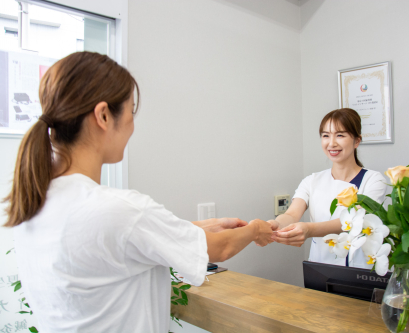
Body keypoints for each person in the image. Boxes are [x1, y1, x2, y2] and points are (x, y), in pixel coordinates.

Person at [2, 52, 273, 333]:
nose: (133, 124)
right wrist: (255, 229)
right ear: (104, 116)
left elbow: (112, 245)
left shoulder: (35, 202)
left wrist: (195, 227)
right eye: (131, 111)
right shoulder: (120, 210)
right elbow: (221, 248)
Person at [268, 108, 387, 268]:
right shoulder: (311, 181)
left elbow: (353, 221)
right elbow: (291, 214)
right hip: (320, 266)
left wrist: (309, 229)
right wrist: (275, 225)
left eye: (340, 135)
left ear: (357, 141)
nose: (331, 143)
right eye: (325, 135)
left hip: (359, 267)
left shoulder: (373, 180)